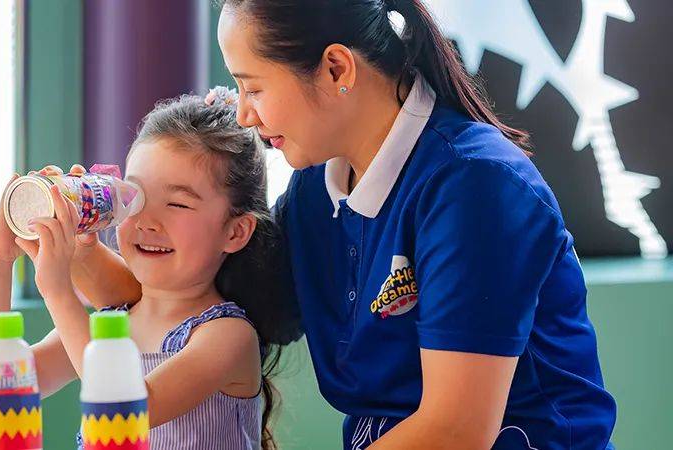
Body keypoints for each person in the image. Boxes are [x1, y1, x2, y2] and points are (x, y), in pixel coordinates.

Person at [71, 1, 618, 448]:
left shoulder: (475, 186)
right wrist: (69, 249)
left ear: (337, 68)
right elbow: (182, 290)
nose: (243, 115)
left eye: (254, 87)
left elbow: (456, 430)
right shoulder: (316, 191)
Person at [0, 88, 300, 450]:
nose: (146, 221)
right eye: (135, 197)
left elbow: (127, 408)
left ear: (235, 231)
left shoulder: (228, 337)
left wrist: (58, 291)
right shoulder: (110, 323)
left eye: (177, 203)